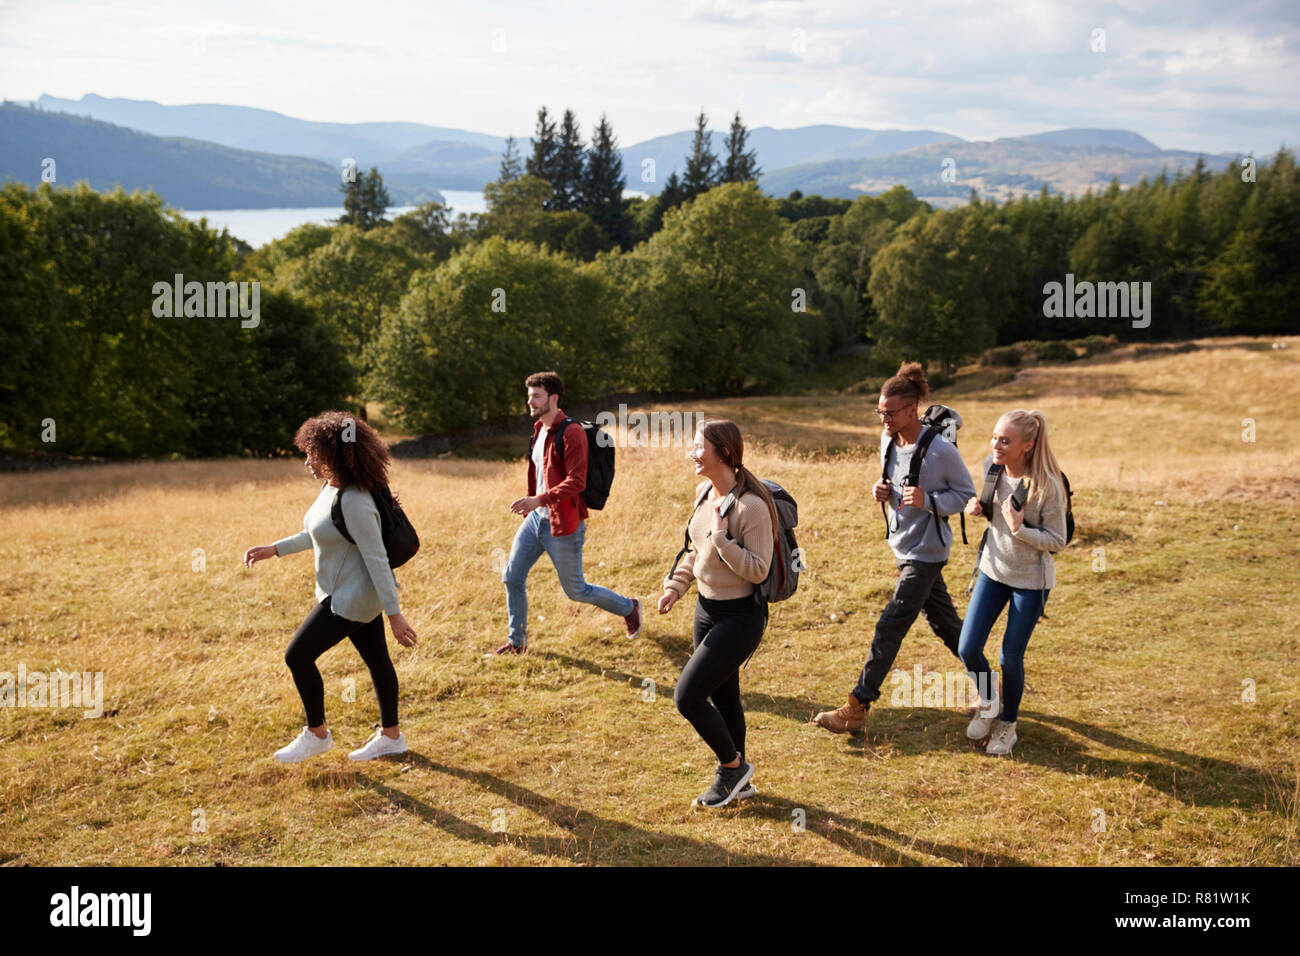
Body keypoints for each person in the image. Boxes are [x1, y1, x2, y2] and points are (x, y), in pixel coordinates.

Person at [243, 411, 417, 762]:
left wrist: (396, 615)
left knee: (298, 656)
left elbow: (377, 560)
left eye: (313, 454)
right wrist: (274, 549)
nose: (307, 461)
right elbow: (317, 533)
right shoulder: (332, 488)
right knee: (378, 661)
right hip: (346, 593)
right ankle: (392, 737)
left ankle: (317, 734)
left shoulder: (355, 500)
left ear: (335, 454)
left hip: (352, 600)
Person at [813, 362, 977, 734]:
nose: (883, 418)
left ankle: (857, 705)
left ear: (911, 410)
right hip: (903, 547)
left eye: (889, 412)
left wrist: (929, 500)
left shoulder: (940, 450)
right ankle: (992, 688)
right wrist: (882, 492)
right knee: (947, 626)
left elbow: (966, 496)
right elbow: (895, 485)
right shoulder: (888, 441)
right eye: (880, 411)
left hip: (927, 552)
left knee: (891, 623)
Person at [659, 419, 776, 808]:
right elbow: (696, 549)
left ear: (723, 452)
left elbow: (758, 568)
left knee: (688, 696)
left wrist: (723, 539)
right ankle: (737, 776)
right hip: (705, 609)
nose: (692, 453)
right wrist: (677, 586)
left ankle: (731, 767)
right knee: (726, 696)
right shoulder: (703, 491)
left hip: (740, 616)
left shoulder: (752, 507)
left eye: (698, 447)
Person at [495, 371, 641, 655]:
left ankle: (629, 607)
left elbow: (577, 481)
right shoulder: (539, 430)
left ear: (553, 397)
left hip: (563, 524)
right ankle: (517, 643)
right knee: (511, 576)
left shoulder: (571, 432)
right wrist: (535, 506)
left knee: (576, 590)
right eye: (529, 396)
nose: (530, 402)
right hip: (537, 521)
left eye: (536, 396)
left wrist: (538, 500)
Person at [959, 409, 1067, 756]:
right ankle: (989, 701)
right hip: (994, 570)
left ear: (1028, 446)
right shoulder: (991, 467)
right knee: (968, 647)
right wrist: (979, 508)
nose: (995, 445)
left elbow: (1058, 540)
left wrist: (1021, 530)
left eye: (1004, 441)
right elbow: (996, 515)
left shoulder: (1048, 485)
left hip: (1030, 581)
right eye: (994, 437)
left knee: (1010, 657)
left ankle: (1008, 726)